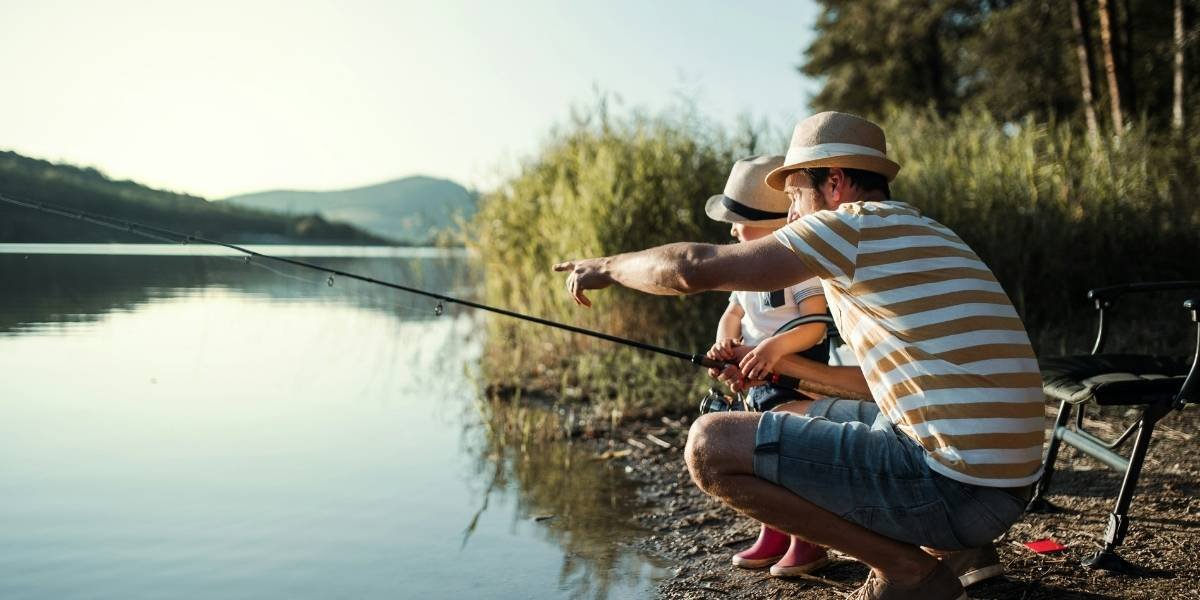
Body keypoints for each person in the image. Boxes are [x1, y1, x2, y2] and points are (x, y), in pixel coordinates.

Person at [553, 111, 1044, 600]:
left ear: (834, 183)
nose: (789, 215)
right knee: (809, 410)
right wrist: (779, 365)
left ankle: (909, 573)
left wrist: (608, 266)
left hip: (955, 491)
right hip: (1006, 488)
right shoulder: (924, 232)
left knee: (710, 446)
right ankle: (954, 553)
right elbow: (880, 389)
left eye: (793, 197)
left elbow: (691, 269)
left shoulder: (847, 228)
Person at [702, 154, 831, 577]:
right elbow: (733, 314)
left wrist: (774, 349)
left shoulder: (801, 268)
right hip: (755, 378)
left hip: (797, 375)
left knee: (787, 453)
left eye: (740, 220)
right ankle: (773, 529)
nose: (733, 229)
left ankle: (806, 539)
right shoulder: (746, 271)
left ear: (775, 225)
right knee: (759, 452)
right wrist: (726, 341)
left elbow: (814, 326)